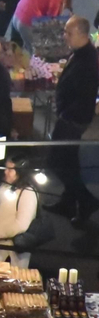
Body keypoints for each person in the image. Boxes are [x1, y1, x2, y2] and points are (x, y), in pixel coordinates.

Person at [50, 16, 99, 222]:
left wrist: (65, 114)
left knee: (58, 162)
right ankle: (68, 203)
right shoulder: (82, 53)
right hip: (71, 116)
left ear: (81, 34)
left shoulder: (88, 60)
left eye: (68, 33)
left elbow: (84, 95)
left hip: (72, 119)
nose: (65, 36)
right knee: (68, 162)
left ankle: (86, 200)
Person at [0, 157, 40, 266]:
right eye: (6, 168)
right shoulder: (6, 185)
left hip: (9, 253)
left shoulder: (28, 192)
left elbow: (21, 224)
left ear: (20, 172)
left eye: (10, 170)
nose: (5, 172)